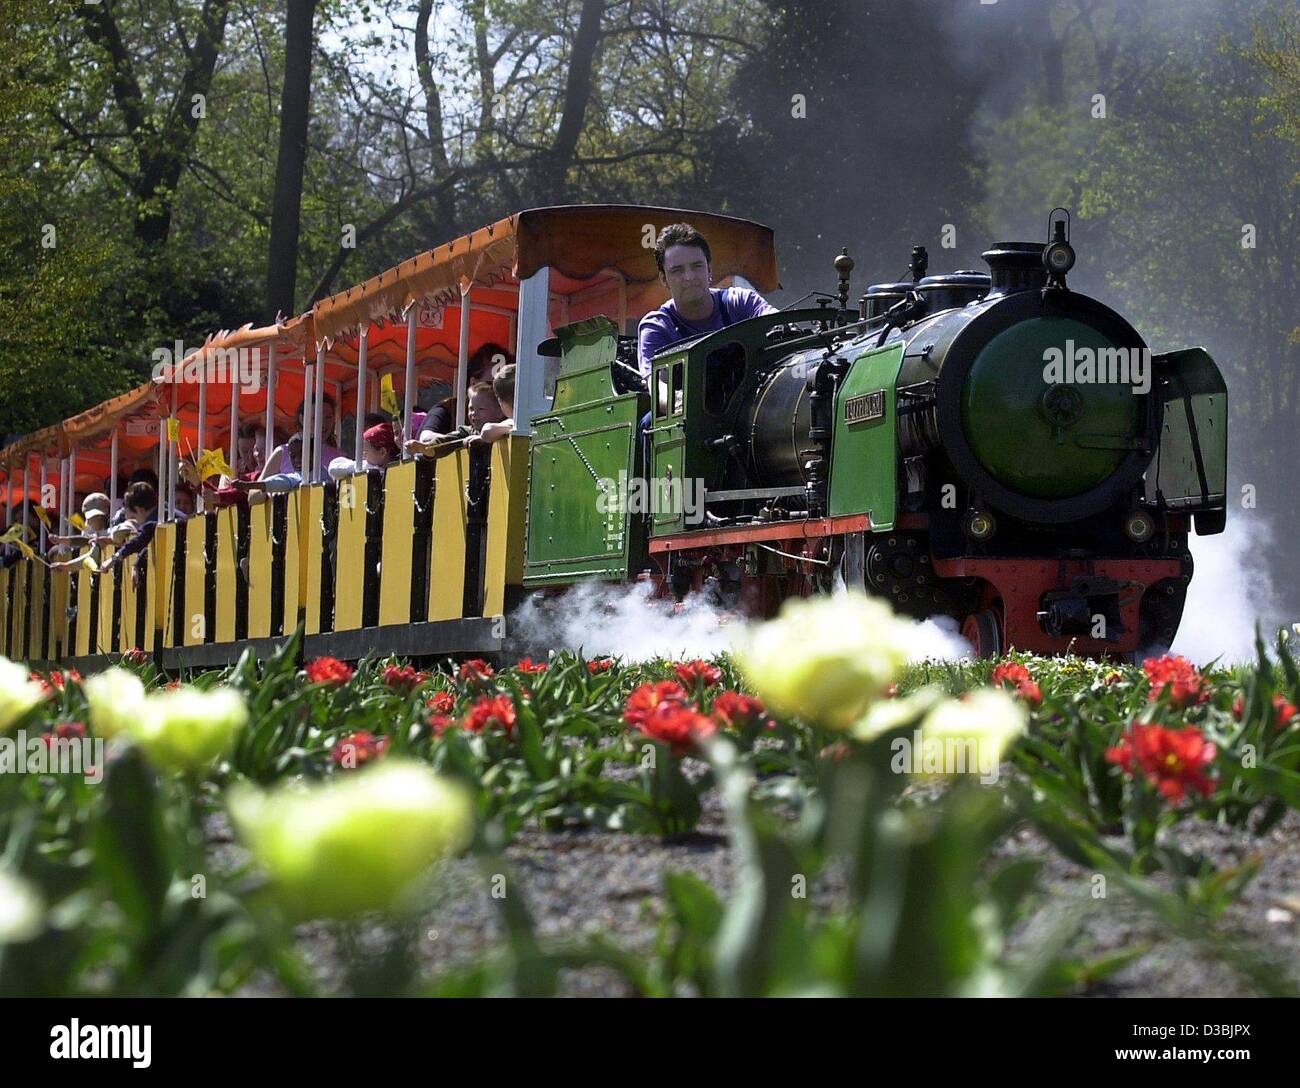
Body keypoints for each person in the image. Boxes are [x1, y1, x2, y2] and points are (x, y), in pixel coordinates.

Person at [635, 223, 777, 468]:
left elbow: (778, 326)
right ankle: (662, 501)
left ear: (710, 269)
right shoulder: (657, 327)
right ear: (664, 279)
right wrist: (680, 405)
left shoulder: (740, 302)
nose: (689, 277)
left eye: (697, 266)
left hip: (751, 406)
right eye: (677, 270)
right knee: (652, 423)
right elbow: (655, 384)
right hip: (694, 418)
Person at [406, 342, 514, 455]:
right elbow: (427, 438)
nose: (500, 393)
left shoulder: (511, 416)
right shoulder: (448, 409)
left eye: (504, 387)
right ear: (473, 383)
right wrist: (464, 441)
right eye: (492, 385)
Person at [263, 394, 345, 478]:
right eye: (316, 417)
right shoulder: (283, 452)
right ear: (302, 419)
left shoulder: (339, 457)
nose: (323, 423)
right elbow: (258, 488)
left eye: (328, 417)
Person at [104, 482, 158, 581]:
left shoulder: (151, 524)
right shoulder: (165, 511)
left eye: (135, 517)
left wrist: (113, 560)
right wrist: (137, 564)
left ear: (139, 510)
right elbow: (146, 546)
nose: (137, 522)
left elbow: (138, 541)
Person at [326, 423, 400, 480]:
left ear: (382, 452)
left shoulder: (397, 472)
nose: (362, 455)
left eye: (365, 450)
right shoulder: (365, 466)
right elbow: (333, 467)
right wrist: (359, 467)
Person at [467, 364, 515, 447]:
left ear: (500, 402)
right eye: (471, 408)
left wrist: (482, 438)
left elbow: (487, 431)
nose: (474, 413)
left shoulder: (512, 422)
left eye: (481, 408)